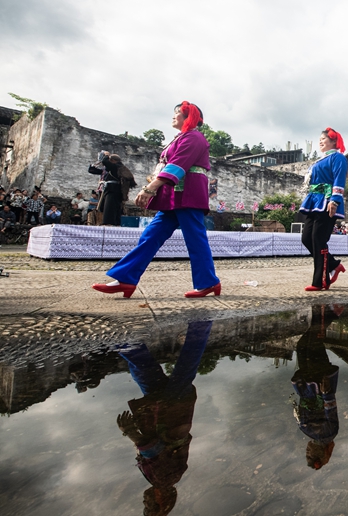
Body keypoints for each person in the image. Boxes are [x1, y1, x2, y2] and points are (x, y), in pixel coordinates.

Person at [92, 102, 221, 299]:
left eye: (177, 113)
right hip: (173, 196)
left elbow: (177, 165)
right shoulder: (181, 138)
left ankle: (208, 282)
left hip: (189, 194)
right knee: (150, 236)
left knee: (195, 239)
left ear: (189, 117)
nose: (174, 116)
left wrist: (150, 188)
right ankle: (126, 278)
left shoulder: (195, 138)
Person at [116, 319, 211, 516]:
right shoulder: (164, 479)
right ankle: (201, 323)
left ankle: (123, 338)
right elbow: (154, 449)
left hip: (162, 410)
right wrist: (130, 432)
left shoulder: (165, 478)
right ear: (161, 501)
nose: (145, 501)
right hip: (171, 410)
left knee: (144, 369)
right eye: (148, 506)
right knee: (186, 364)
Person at [292, 305, 341, 469]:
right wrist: (327, 394)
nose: (307, 451)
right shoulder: (329, 433)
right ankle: (325, 312)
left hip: (307, 385)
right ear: (320, 455)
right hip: (319, 386)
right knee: (313, 344)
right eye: (309, 455)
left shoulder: (309, 433)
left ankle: (326, 314)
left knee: (303, 346)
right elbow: (331, 410)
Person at [299, 128, 348, 291]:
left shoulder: (338, 158)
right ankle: (333, 265)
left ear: (334, 141)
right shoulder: (318, 161)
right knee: (307, 238)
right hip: (314, 202)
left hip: (327, 201)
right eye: (319, 139)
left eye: (324, 139)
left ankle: (320, 281)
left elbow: (339, 179)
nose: (320, 141)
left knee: (318, 239)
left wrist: (335, 200)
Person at [90, 152, 136, 226]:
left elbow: (105, 161)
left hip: (114, 190)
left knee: (110, 207)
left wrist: (106, 155)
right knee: (107, 207)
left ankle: (109, 223)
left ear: (114, 160)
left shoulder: (117, 166)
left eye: (110, 160)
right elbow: (92, 170)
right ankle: (112, 222)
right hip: (109, 189)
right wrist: (96, 163)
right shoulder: (111, 169)